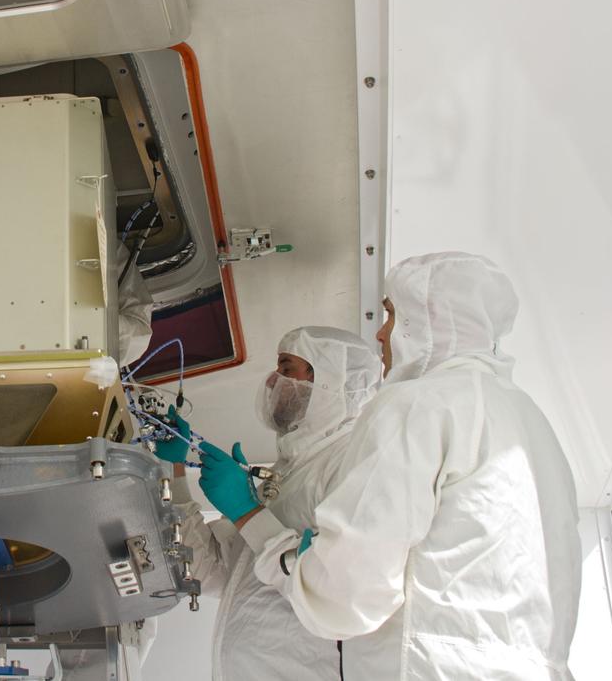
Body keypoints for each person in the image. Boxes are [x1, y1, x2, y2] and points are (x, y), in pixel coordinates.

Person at [200, 252, 580, 678]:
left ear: (430, 318)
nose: (381, 334)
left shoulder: (417, 403)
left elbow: (345, 595)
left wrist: (259, 525)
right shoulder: (529, 419)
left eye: (392, 314)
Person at [157, 326, 381, 680]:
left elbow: (334, 587)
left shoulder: (353, 463)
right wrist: (175, 471)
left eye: (286, 368)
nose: (272, 381)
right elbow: (210, 572)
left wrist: (248, 512)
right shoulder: (287, 471)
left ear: (329, 380)